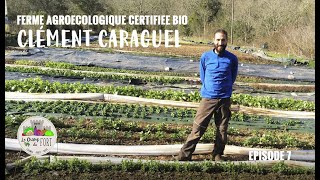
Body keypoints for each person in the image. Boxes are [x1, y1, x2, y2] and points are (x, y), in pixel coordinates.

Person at [177, 29, 238, 161]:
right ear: (213, 40)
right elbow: (203, 76)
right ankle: (184, 155)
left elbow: (232, 77)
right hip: (208, 98)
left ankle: (217, 154)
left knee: (222, 129)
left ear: (227, 41)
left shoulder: (232, 59)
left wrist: (224, 90)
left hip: (224, 98)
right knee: (198, 128)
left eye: (223, 40)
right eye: (218, 40)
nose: (220, 43)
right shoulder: (205, 57)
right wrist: (210, 89)